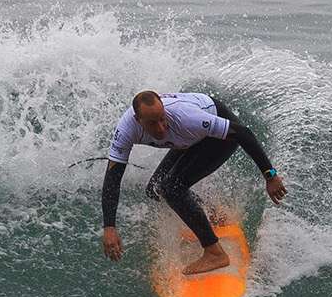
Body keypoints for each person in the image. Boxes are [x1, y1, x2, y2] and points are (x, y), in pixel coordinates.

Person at [100, 91, 287, 274]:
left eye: (162, 119)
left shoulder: (185, 118)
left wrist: (270, 176)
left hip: (217, 135)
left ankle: (215, 253)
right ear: (138, 120)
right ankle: (213, 216)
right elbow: (113, 178)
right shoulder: (126, 131)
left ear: (164, 109)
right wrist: (109, 227)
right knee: (155, 189)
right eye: (152, 123)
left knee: (172, 188)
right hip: (188, 138)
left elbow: (243, 133)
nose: (161, 128)